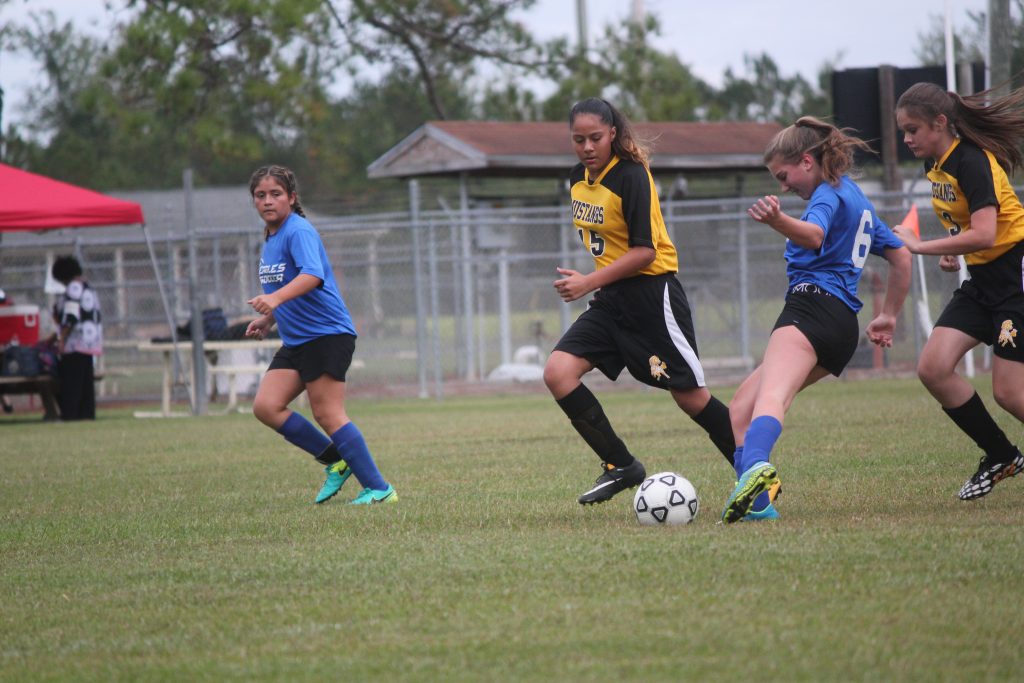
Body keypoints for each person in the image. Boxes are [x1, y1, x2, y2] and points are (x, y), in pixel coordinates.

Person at [543, 97, 737, 506]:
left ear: (613, 133)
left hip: (653, 294)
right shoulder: (576, 176)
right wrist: (596, 284)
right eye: (578, 139)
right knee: (558, 372)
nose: (588, 147)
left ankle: (754, 474)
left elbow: (644, 252)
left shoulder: (631, 176)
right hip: (612, 299)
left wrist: (587, 282)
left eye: (596, 137)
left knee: (691, 398)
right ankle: (621, 465)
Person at [724, 117, 912, 523]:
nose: (783, 185)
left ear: (807, 161)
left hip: (811, 307)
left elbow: (812, 235)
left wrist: (777, 220)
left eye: (784, 175)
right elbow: (901, 255)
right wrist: (888, 316)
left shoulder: (826, 195)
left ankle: (756, 467)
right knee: (740, 408)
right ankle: (758, 507)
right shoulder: (857, 198)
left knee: (771, 399)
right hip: (840, 327)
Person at [893, 82, 1024, 500]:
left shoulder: (970, 161)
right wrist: (953, 251)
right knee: (932, 368)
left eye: (913, 129)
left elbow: (986, 233)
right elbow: (971, 230)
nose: (907, 138)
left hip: (1014, 280)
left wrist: (922, 247)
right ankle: (1001, 455)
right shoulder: (935, 164)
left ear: (941, 123)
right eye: (903, 131)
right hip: (981, 282)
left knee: (1008, 392)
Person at [245, 165, 396, 505]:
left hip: (327, 334)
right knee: (267, 407)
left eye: (276, 194)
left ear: (292, 198)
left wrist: (274, 300)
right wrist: (270, 318)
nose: (268, 201)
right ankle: (335, 462)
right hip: (298, 338)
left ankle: (379, 489)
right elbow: (284, 284)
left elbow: (313, 275)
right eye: (260, 195)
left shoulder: (298, 231)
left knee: (328, 413)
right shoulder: (271, 236)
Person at [51, 256, 104, 421]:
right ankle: (87, 414)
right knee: (85, 382)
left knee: (72, 382)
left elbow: (71, 316)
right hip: (90, 341)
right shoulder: (88, 287)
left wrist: (62, 340)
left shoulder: (74, 288)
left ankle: (70, 414)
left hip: (76, 342)